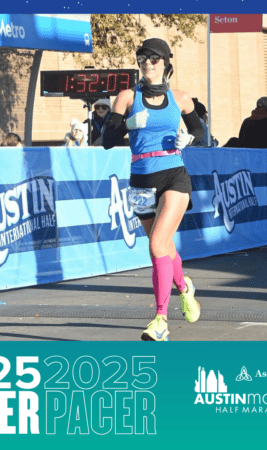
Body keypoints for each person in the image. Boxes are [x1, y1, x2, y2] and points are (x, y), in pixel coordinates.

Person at [103, 37, 203, 341]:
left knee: (157, 246)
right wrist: (129, 125)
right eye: (142, 59)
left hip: (174, 174)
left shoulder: (181, 98)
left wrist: (190, 139)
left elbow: (198, 128)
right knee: (165, 248)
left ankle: (160, 320)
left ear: (166, 63)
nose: (148, 64)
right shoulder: (126, 98)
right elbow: (107, 139)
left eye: (154, 59)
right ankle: (185, 288)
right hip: (141, 179)